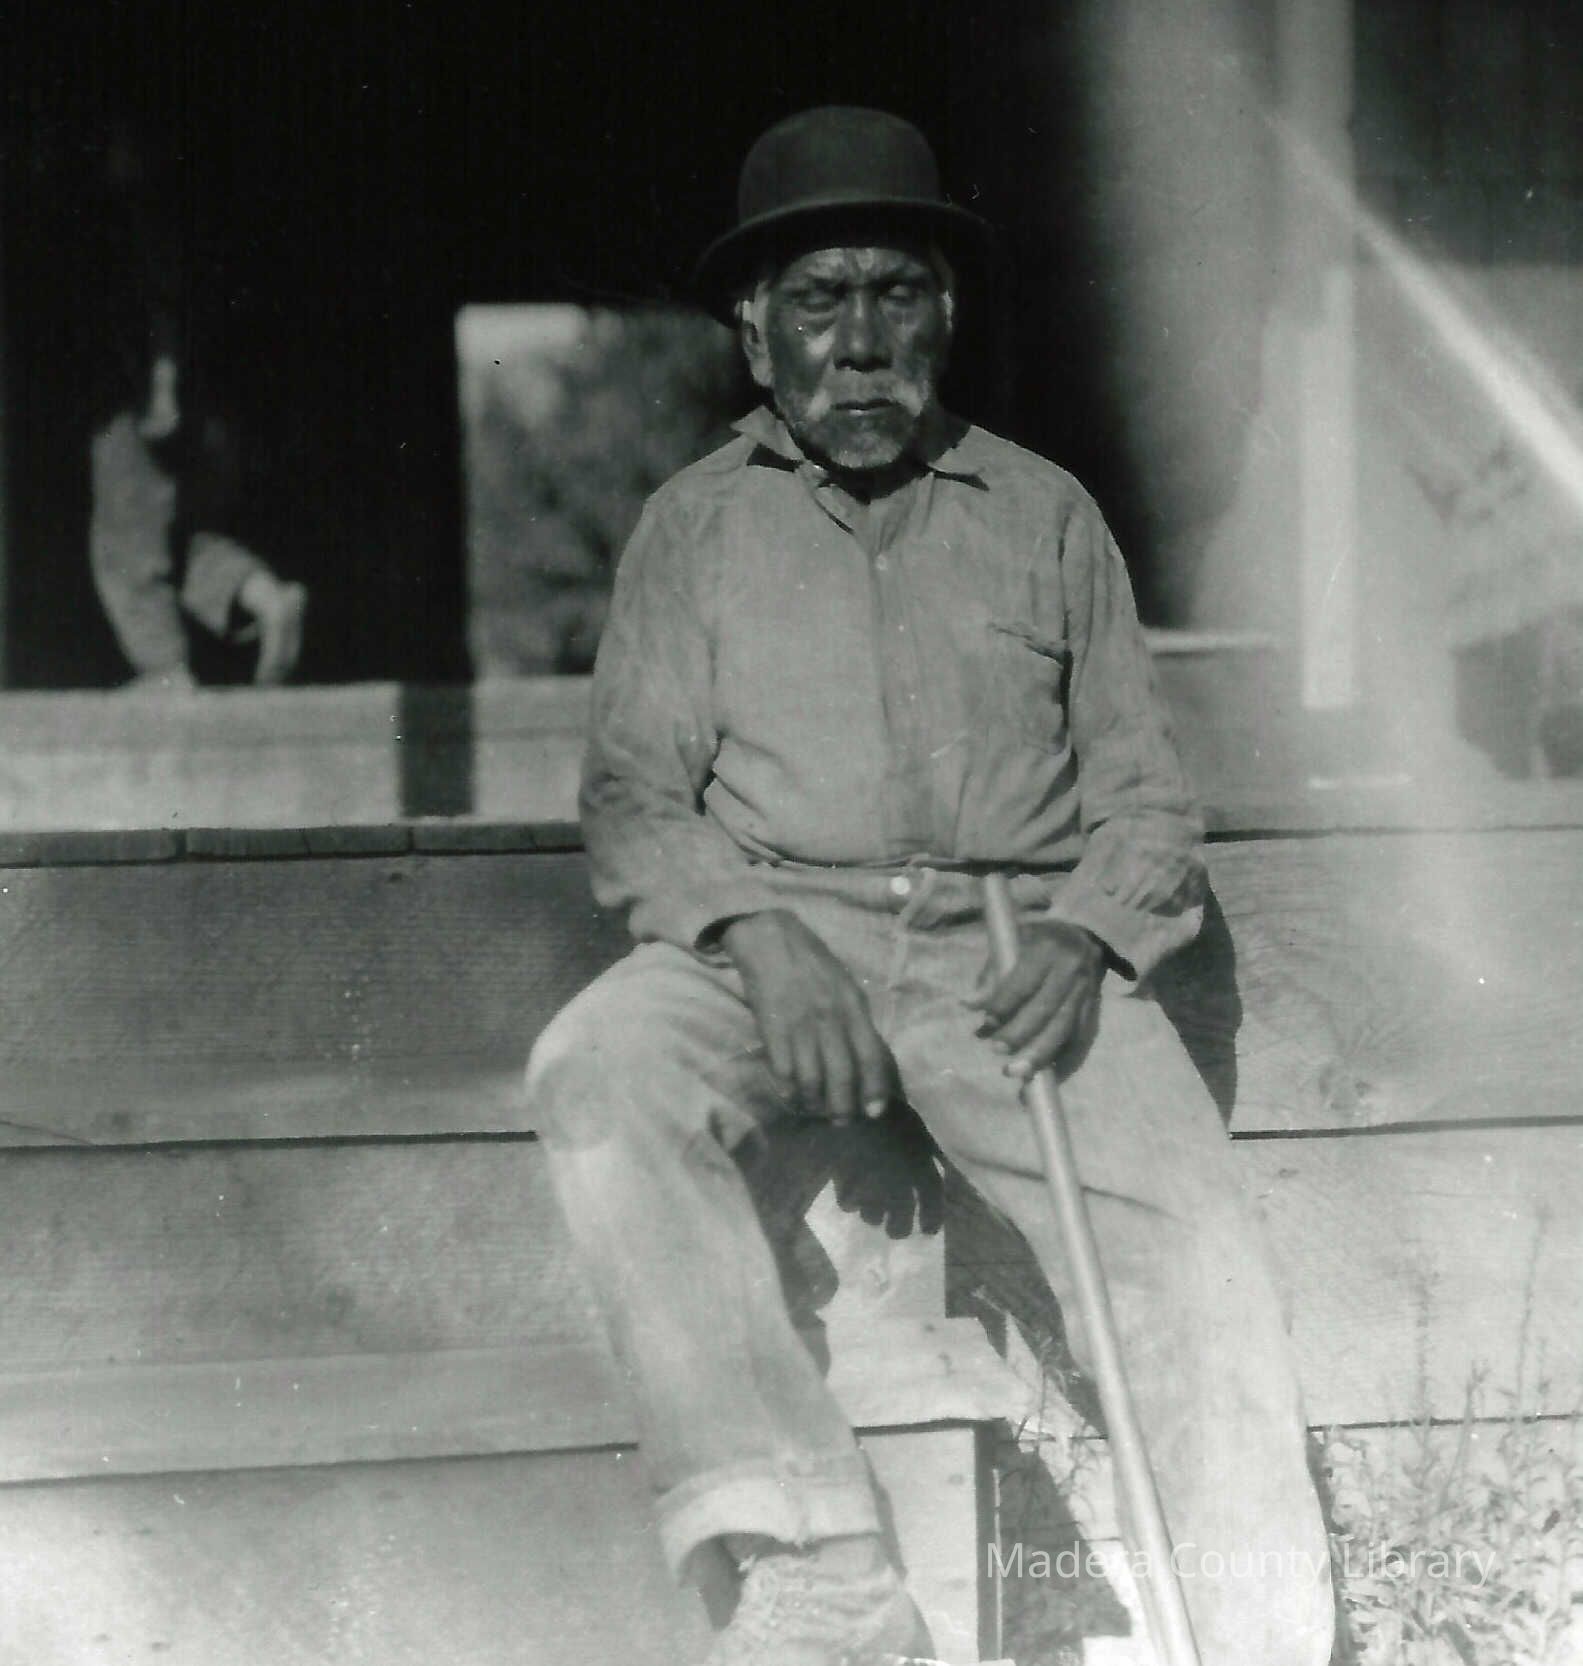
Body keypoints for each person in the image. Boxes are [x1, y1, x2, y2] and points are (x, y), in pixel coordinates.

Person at [526, 108, 1335, 1664]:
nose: (858, 341)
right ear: (753, 331)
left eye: (893, 293)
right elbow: (632, 798)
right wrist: (755, 933)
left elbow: (1145, 800)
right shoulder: (690, 529)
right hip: (777, 935)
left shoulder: (1042, 514)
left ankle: (1262, 1637)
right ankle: (819, 1567)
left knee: (1193, 1245)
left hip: (1016, 950)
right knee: (600, 1063)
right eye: (817, 301)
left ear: (943, 313)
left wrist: (1089, 936)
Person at [90, 319, 307, 690]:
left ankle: (163, 670)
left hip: (148, 405)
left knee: (127, 543)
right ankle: (267, 599)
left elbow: (157, 299)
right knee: (184, 541)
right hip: (198, 404)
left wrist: (163, 388)